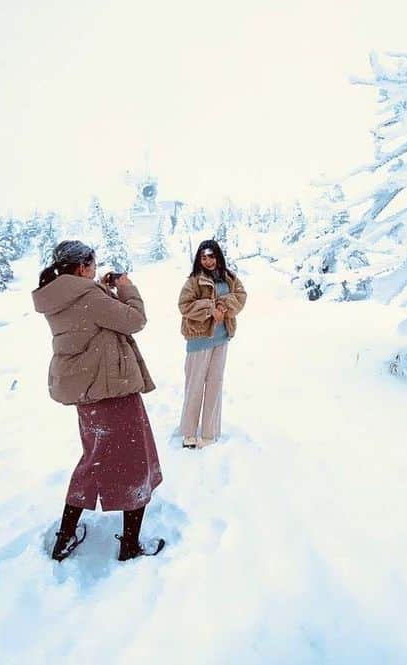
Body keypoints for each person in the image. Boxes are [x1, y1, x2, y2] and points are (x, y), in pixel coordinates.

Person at [32, 240, 165, 562]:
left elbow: (90, 317)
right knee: (135, 462)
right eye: (92, 265)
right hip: (112, 391)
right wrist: (126, 288)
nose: (95, 269)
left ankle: (65, 537)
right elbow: (134, 320)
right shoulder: (88, 296)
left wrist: (101, 291)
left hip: (88, 393)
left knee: (94, 461)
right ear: (81, 268)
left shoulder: (59, 295)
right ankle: (130, 545)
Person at [177, 239, 247, 448]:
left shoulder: (229, 277)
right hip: (199, 339)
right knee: (195, 385)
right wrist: (209, 309)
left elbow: (241, 297)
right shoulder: (194, 281)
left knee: (215, 383)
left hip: (222, 337)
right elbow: (184, 305)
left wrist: (223, 308)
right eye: (203, 257)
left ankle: (209, 432)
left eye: (211, 256)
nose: (208, 261)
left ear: (218, 256)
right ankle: (189, 432)